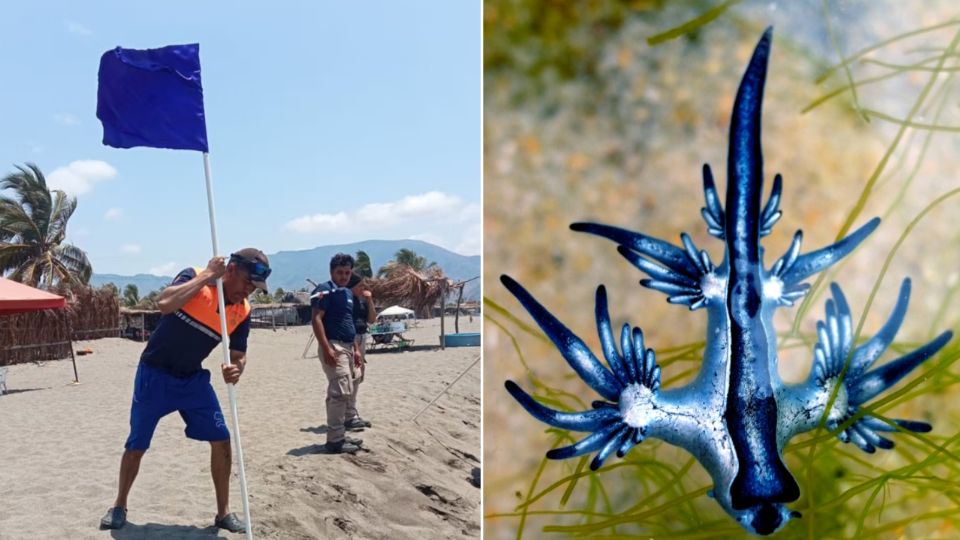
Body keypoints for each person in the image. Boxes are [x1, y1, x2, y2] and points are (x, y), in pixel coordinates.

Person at [99, 248, 271, 533]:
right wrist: (207, 276)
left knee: (222, 440)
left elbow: (239, 354)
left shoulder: (242, 311)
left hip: (192, 380)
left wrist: (237, 368)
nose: (248, 291)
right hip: (154, 375)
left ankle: (223, 513)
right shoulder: (195, 277)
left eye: (254, 288)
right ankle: (119, 505)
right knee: (137, 444)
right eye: (246, 283)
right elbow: (164, 303)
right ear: (230, 270)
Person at [310, 253, 364, 453]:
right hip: (334, 345)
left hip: (348, 346)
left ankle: (339, 434)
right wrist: (326, 348)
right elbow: (316, 319)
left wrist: (356, 349)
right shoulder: (325, 290)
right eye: (340, 272)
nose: (344, 276)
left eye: (347, 273)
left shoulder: (347, 293)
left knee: (346, 390)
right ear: (332, 272)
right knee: (339, 392)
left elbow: (348, 322)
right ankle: (335, 441)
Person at [347, 272, 376, 431]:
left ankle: (351, 412)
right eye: (360, 286)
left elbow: (372, 319)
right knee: (353, 376)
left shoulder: (362, 301)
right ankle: (349, 415)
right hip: (352, 338)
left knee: (359, 376)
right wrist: (355, 346)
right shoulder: (348, 301)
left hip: (363, 336)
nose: (363, 288)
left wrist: (369, 300)